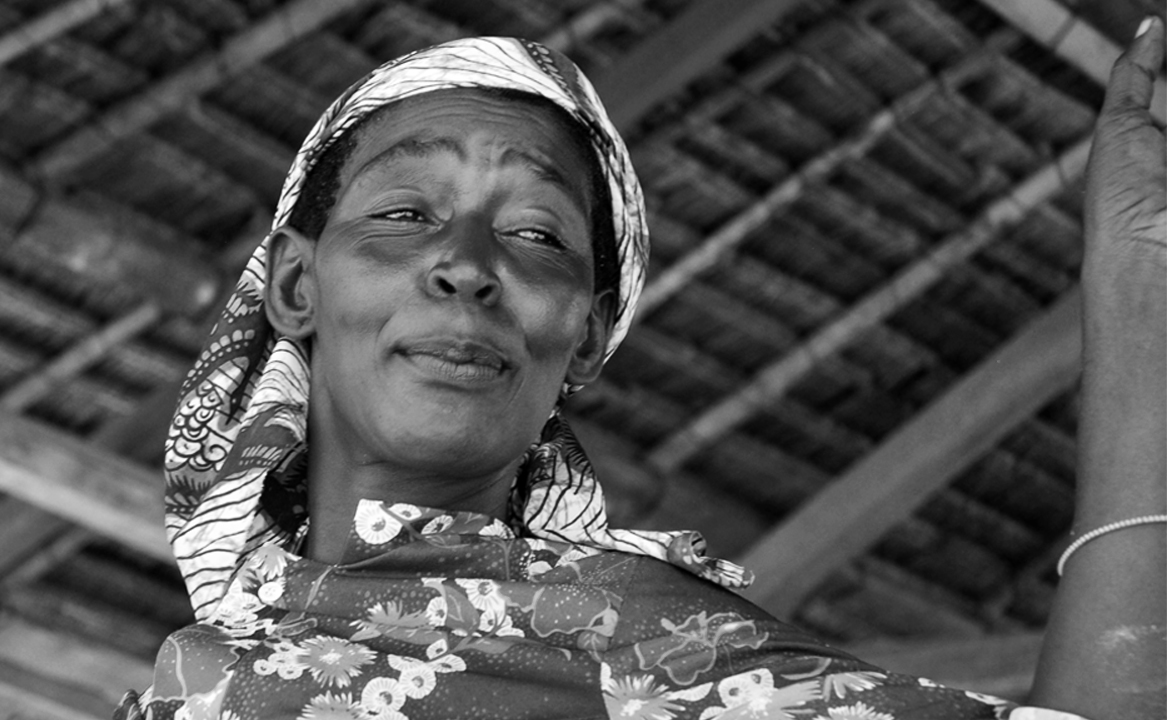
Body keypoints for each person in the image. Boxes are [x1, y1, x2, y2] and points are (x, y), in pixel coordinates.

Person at [114, 23, 1165, 720]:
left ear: (585, 337)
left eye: (537, 237)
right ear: (297, 285)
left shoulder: (672, 656)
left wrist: (1138, 266)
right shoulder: (183, 698)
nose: (468, 267)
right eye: (403, 214)